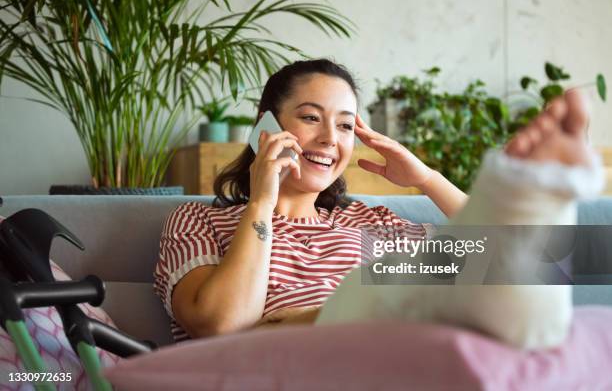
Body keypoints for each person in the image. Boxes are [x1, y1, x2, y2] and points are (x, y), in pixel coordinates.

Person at [153, 59, 603, 349]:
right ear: (265, 127)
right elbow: (220, 325)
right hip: (291, 369)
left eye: (346, 126)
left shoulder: (368, 225)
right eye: (311, 118)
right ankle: (524, 191)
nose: (331, 138)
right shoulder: (198, 220)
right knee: (394, 293)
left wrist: (426, 179)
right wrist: (262, 202)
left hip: (398, 361)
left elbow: (531, 261)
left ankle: (532, 191)